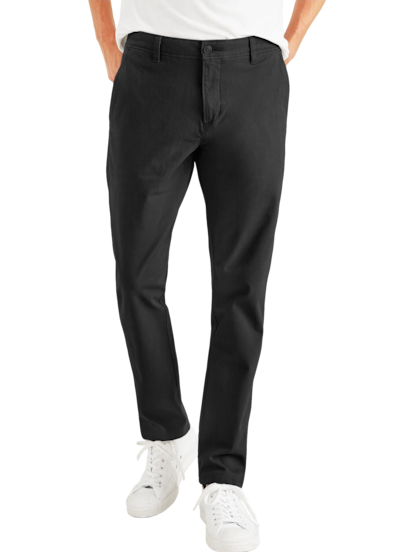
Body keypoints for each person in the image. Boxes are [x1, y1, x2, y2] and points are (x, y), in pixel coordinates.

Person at [88, 1, 326, 550]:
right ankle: (167, 434)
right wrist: (107, 42)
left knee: (243, 288)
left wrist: (290, 41)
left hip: (252, 70)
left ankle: (224, 476)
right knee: (136, 275)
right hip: (149, 68)